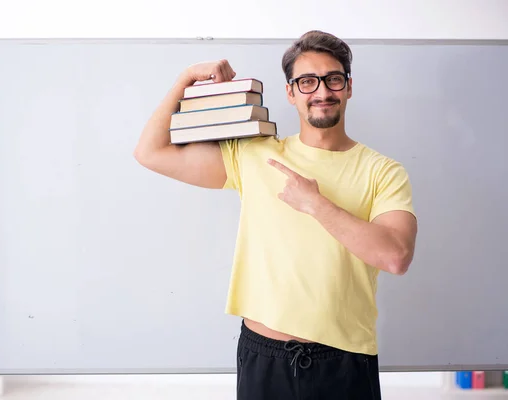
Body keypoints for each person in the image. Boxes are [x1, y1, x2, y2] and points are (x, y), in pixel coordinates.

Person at [133, 30, 417, 400]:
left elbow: (395, 256)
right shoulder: (254, 155)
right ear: (291, 92)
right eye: (307, 81)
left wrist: (316, 203)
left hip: (344, 361)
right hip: (263, 356)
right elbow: (150, 152)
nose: (322, 91)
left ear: (348, 87)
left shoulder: (384, 171)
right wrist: (185, 78)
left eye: (333, 79)